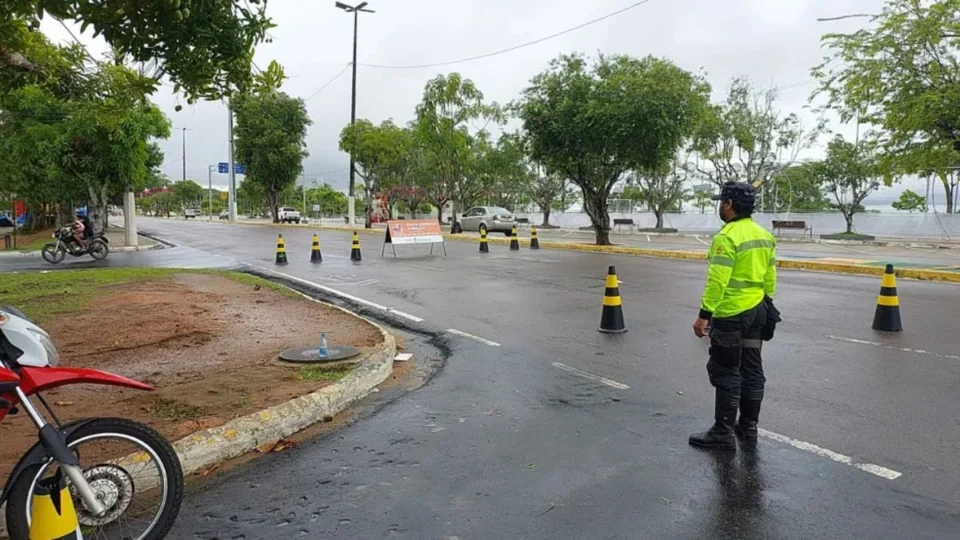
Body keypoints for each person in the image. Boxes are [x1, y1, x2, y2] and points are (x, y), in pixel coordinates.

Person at [689, 181, 777, 451]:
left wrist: (704, 315)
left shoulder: (727, 236)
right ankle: (748, 426)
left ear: (728, 204)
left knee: (726, 371)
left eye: (721, 201)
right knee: (752, 369)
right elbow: (770, 276)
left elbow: (718, 281)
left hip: (731, 314)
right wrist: (766, 301)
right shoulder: (763, 235)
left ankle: (722, 432)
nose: (719, 206)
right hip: (758, 310)